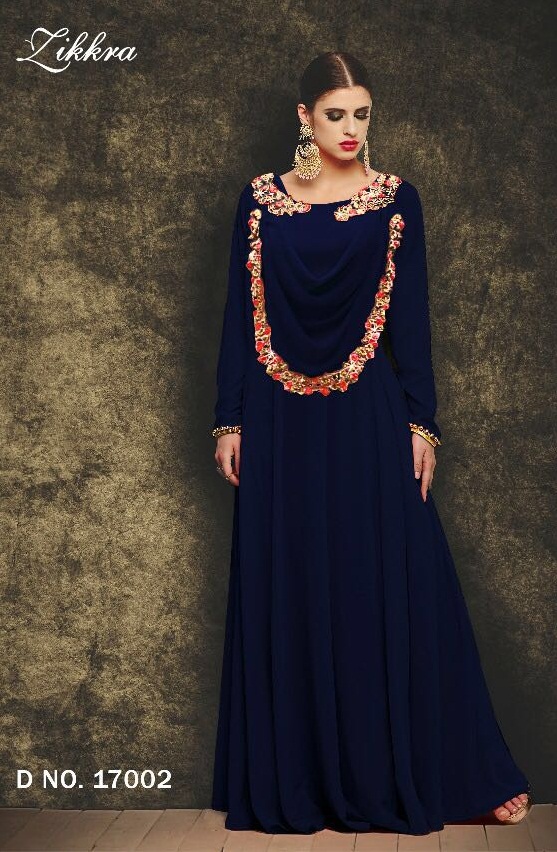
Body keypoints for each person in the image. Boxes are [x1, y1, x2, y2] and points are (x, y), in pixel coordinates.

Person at [210, 50, 531, 836]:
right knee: (292, 584)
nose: (350, 129)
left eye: (361, 114)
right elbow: (236, 319)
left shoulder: (395, 201)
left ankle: (451, 771)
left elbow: (410, 322)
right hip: (277, 422)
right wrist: (229, 419)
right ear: (304, 117)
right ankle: (302, 782)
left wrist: (421, 424)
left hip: (367, 418)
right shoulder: (259, 202)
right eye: (335, 114)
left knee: (391, 586)